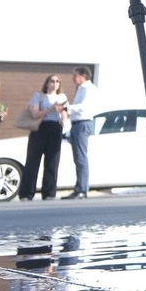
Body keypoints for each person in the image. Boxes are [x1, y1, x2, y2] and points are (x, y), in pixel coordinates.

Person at [21, 75, 68, 201]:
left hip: (54, 128)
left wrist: (63, 122)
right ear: (47, 83)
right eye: (52, 81)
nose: (54, 83)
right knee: (32, 161)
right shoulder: (39, 96)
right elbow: (35, 113)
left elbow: (64, 112)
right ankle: (27, 193)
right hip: (40, 127)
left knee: (52, 162)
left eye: (57, 81)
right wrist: (51, 108)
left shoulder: (62, 97)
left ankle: (49, 193)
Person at [62, 66, 97, 199]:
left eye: (75, 76)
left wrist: (66, 107)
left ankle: (82, 189)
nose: (73, 79)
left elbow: (84, 107)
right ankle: (79, 187)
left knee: (81, 157)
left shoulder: (88, 89)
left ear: (83, 75)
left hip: (83, 123)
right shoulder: (81, 89)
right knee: (78, 158)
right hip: (77, 124)